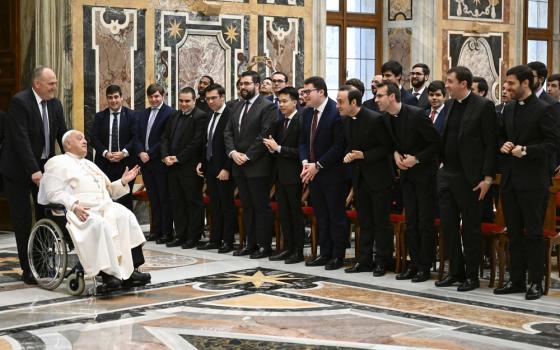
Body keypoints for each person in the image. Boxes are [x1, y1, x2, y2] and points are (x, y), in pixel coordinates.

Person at [38, 130, 150, 290]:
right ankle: (108, 275)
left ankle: (129, 272)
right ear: (67, 144)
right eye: (79, 138)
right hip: (79, 210)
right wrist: (73, 205)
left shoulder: (89, 164)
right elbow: (53, 192)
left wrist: (123, 182)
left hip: (104, 207)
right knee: (99, 225)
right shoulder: (57, 162)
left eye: (85, 138)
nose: (85, 141)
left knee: (126, 216)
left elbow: (110, 191)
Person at [494, 65, 560, 300]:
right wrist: (503, 145)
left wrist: (527, 150)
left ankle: (535, 281)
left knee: (533, 234)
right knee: (513, 233)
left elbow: (553, 144)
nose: (507, 87)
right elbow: (500, 134)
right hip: (511, 180)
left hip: (533, 181)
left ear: (525, 83)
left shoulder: (545, 109)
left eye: (511, 83)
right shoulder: (509, 108)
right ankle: (516, 279)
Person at [0, 66, 67, 284]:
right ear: (37, 84)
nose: (55, 87)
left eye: (55, 83)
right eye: (51, 83)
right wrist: (34, 170)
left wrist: (72, 162)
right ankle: (27, 269)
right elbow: (21, 141)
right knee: (23, 220)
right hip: (19, 170)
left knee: (45, 215)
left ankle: (43, 264)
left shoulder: (55, 104)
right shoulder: (20, 102)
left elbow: (62, 135)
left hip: (44, 168)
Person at [435, 66, 496, 292]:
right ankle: (455, 272)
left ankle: (471, 275)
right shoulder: (449, 105)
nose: (447, 85)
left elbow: (491, 145)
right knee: (449, 227)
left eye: (450, 81)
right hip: (447, 175)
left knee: (470, 229)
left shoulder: (484, 106)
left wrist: (487, 178)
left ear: (463, 83)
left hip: (471, 179)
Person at [377, 82, 440, 282]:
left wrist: (417, 158)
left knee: (425, 223)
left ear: (392, 97)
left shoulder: (417, 114)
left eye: (380, 96)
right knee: (410, 222)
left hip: (425, 176)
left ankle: (424, 266)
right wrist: (395, 155)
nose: (376, 100)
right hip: (406, 175)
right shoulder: (386, 118)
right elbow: (389, 144)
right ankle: (413, 264)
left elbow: (436, 144)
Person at [337, 85, 393, 275]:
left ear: (353, 102)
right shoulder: (347, 120)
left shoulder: (376, 119)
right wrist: (348, 155)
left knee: (381, 223)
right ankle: (364, 260)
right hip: (359, 179)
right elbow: (349, 146)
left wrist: (363, 155)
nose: (338, 106)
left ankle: (382, 261)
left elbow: (386, 148)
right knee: (364, 222)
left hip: (379, 180)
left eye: (340, 101)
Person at [224, 70, 277, 258]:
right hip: (238, 165)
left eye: (247, 84)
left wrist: (247, 156)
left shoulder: (267, 106)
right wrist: (232, 153)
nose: (243, 87)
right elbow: (228, 132)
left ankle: (264, 245)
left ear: (257, 85)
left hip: (258, 166)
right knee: (247, 206)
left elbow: (264, 134)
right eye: (241, 84)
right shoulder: (236, 106)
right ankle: (249, 243)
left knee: (260, 206)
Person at [300, 76, 347, 270]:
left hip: (332, 173)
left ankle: (338, 255)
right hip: (312, 173)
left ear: (320, 92)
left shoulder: (336, 112)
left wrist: (317, 165)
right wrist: (305, 161)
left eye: (307, 91)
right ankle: (324, 252)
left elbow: (339, 146)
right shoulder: (307, 113)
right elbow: (303, 141)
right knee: (321, 215)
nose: (304, 95)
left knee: (335, 216)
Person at [161, 87, 208, 248]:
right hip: (172, 167)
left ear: (194, 100)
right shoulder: (174, 115)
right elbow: (165, 137)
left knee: (193, 202)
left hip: (190, 167)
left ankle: (193, 237)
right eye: (181, 101)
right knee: (177, 202)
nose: (184, 104)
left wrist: (178, 158)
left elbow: (197, 143)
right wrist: (165, 156)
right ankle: (180, 235)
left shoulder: (201, 117)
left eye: (187, 101)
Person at [263, 87, 305, 264]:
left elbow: (301, 151)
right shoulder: (280, 122)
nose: (281, 105)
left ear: (294, 102)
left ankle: (298, 250)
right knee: (284, 213)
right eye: (279, 101)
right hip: (280, 175)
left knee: (295, 214)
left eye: (285, 101)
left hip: (295, 175)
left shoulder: (301, 120)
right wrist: (271, 148)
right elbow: (276, 148)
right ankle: (287, 248)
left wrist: (278, 148)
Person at [197, 84, 237, 253]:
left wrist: (227, 168)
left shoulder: (230, 115)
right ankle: (215, 239)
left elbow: (233, 143)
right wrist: (202, 162)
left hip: (224, 167)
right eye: (208, 99)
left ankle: (228, 241)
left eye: (214, 98)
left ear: (222, 97)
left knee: (226, 205)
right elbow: (207, 142)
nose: (211, 101)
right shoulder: (209, 115)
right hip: (211, 167)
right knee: (214, 205)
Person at [135, 84, 174, 243]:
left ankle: (166, 232)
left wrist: (149, 154)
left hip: (159, 162)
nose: (153, 99)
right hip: (146, 163)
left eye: (156, 96)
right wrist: (140, 152)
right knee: (153, 198)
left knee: (164, 198)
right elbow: (137, 136)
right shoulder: (143, 113)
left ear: (163, 96)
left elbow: (165, 138)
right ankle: (155, 231)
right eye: (151, 97)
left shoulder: (170, 113)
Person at [90, 85, 137, 210]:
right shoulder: (100, 116)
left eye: (116, 97)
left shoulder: (132, 115)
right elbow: (93, 137)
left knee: (125, 199)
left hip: (125, 164)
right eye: (110, 98)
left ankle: (125, 228)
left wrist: (124, 152)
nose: (113, 100)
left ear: (121, 98)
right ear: (106, 99)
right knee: (105, 198)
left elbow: (136, 137)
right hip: (105, 164)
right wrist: (105, 153)